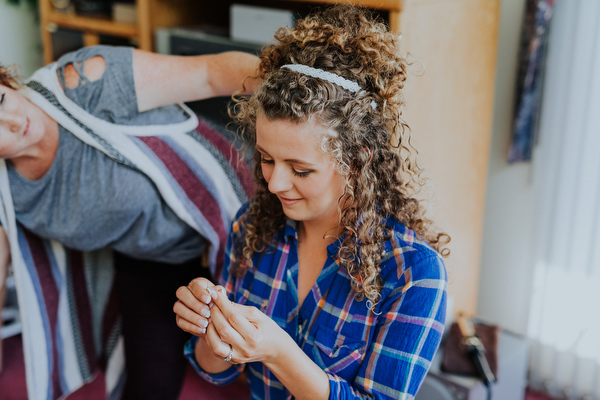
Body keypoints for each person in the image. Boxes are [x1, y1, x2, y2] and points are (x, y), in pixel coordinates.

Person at [173, 5, 450, 400]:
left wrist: (279, 353)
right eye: (266, 159)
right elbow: (215, 370)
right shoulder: (252, 228)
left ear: (358, 161)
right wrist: (210, 327)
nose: (274, 182)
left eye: (300, 169)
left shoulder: (414, 274)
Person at [0, 45, 258, 400]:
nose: (14, 121)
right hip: (152, 260)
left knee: (271, 369)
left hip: (240, 225)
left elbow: (211, 73)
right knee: (147, 390)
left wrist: (305, 98)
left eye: (0, 101)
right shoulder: (5, 188)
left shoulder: (83, 82)